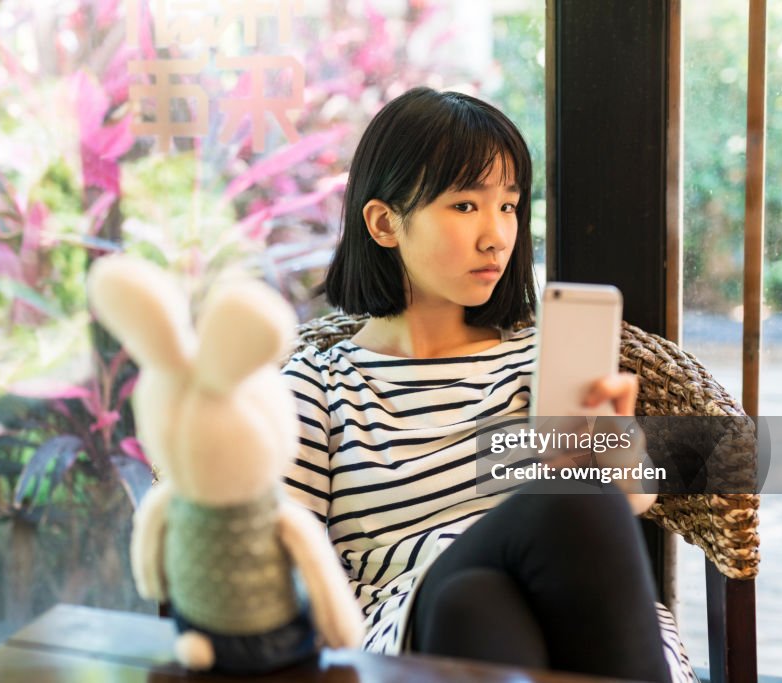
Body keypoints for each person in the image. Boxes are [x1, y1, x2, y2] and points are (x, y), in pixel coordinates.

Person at [280, 87, 693, 682]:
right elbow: (284, 559)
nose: (497, 235)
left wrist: (613, 447)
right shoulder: (319, 384)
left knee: (474, 600)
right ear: (383, 222)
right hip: (397, 635)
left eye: (510, 205)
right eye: (466, 206)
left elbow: (624, 504)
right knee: (527, 537)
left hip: (564, 624)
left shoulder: (537, 359)